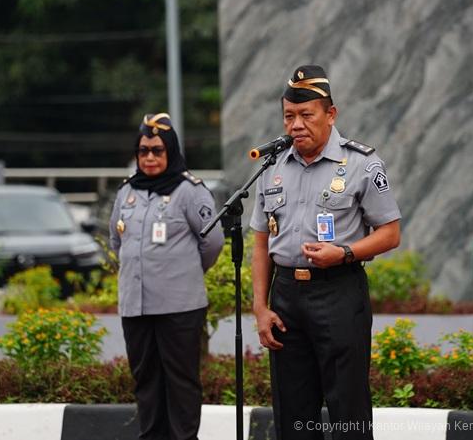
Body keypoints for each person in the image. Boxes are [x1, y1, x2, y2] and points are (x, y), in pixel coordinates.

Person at [249, 65, 401, 440]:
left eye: (306, 115)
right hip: (285, 297)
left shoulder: (362, 163)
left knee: (347, 407)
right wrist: (260, 306)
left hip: (339, 292)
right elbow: (260, 241)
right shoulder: (273, 167)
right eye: (288, 116)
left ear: (330, 114)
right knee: (293, 414)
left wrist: (344, 252)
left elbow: (391, 233)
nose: (295, 125)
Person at [110, 113, 224, 440]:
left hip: (179, 306)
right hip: (136, 306)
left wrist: (185, 272)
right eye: (143, 150)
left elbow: (212, 241)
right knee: (145, 380)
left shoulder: (189, 191)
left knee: (181, 382)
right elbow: (117, 241)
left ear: (170, 152)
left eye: (157, 151)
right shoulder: (126, 192)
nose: (149, 157)